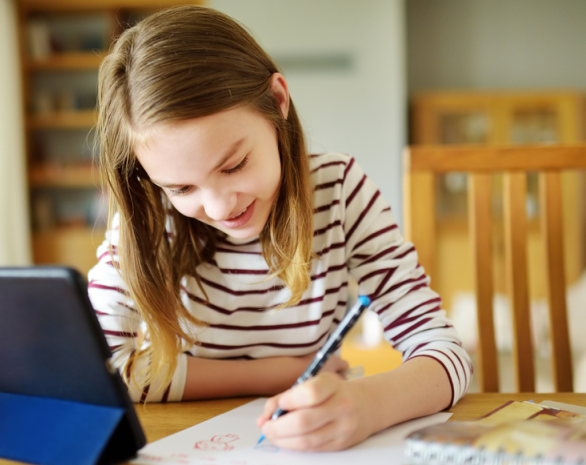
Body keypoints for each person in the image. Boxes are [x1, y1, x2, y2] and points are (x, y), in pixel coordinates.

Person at [87, 5, 471, 452]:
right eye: (182, 188)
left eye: (234, 165)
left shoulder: (339, 191)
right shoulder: (148, 217)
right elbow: (102, 374)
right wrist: (281, 372)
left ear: (278, 100)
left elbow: (444, 352)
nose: (219, 207)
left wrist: (368, 405)